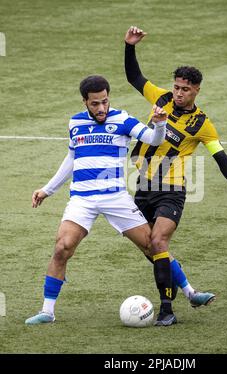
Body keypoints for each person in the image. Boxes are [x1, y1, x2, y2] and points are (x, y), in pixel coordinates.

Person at [124, 26, 227, 325]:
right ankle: (190, 292)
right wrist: (130, 46)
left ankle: (167, 310)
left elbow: (223, 160)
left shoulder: (203, 124)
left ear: (197, 90)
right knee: (151, 248)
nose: (179, 93)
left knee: (159, 242)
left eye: (186, 89)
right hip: (141, 186)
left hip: (172, 189)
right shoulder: (161, 98)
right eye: (177, 87)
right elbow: (134, 78)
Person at [25, 75, 174, 325]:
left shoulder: (123, 119)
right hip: (82, 199)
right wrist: (47, 189)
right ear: (85, 102)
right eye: (95, 104)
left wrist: (160, 124)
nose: (101, 108)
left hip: (115, 198)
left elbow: (155, 139)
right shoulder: (75, 122)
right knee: (62, 247)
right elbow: (72, 157)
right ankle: (47, 312)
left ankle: (190, 291)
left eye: (104, 101)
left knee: (152, 246)